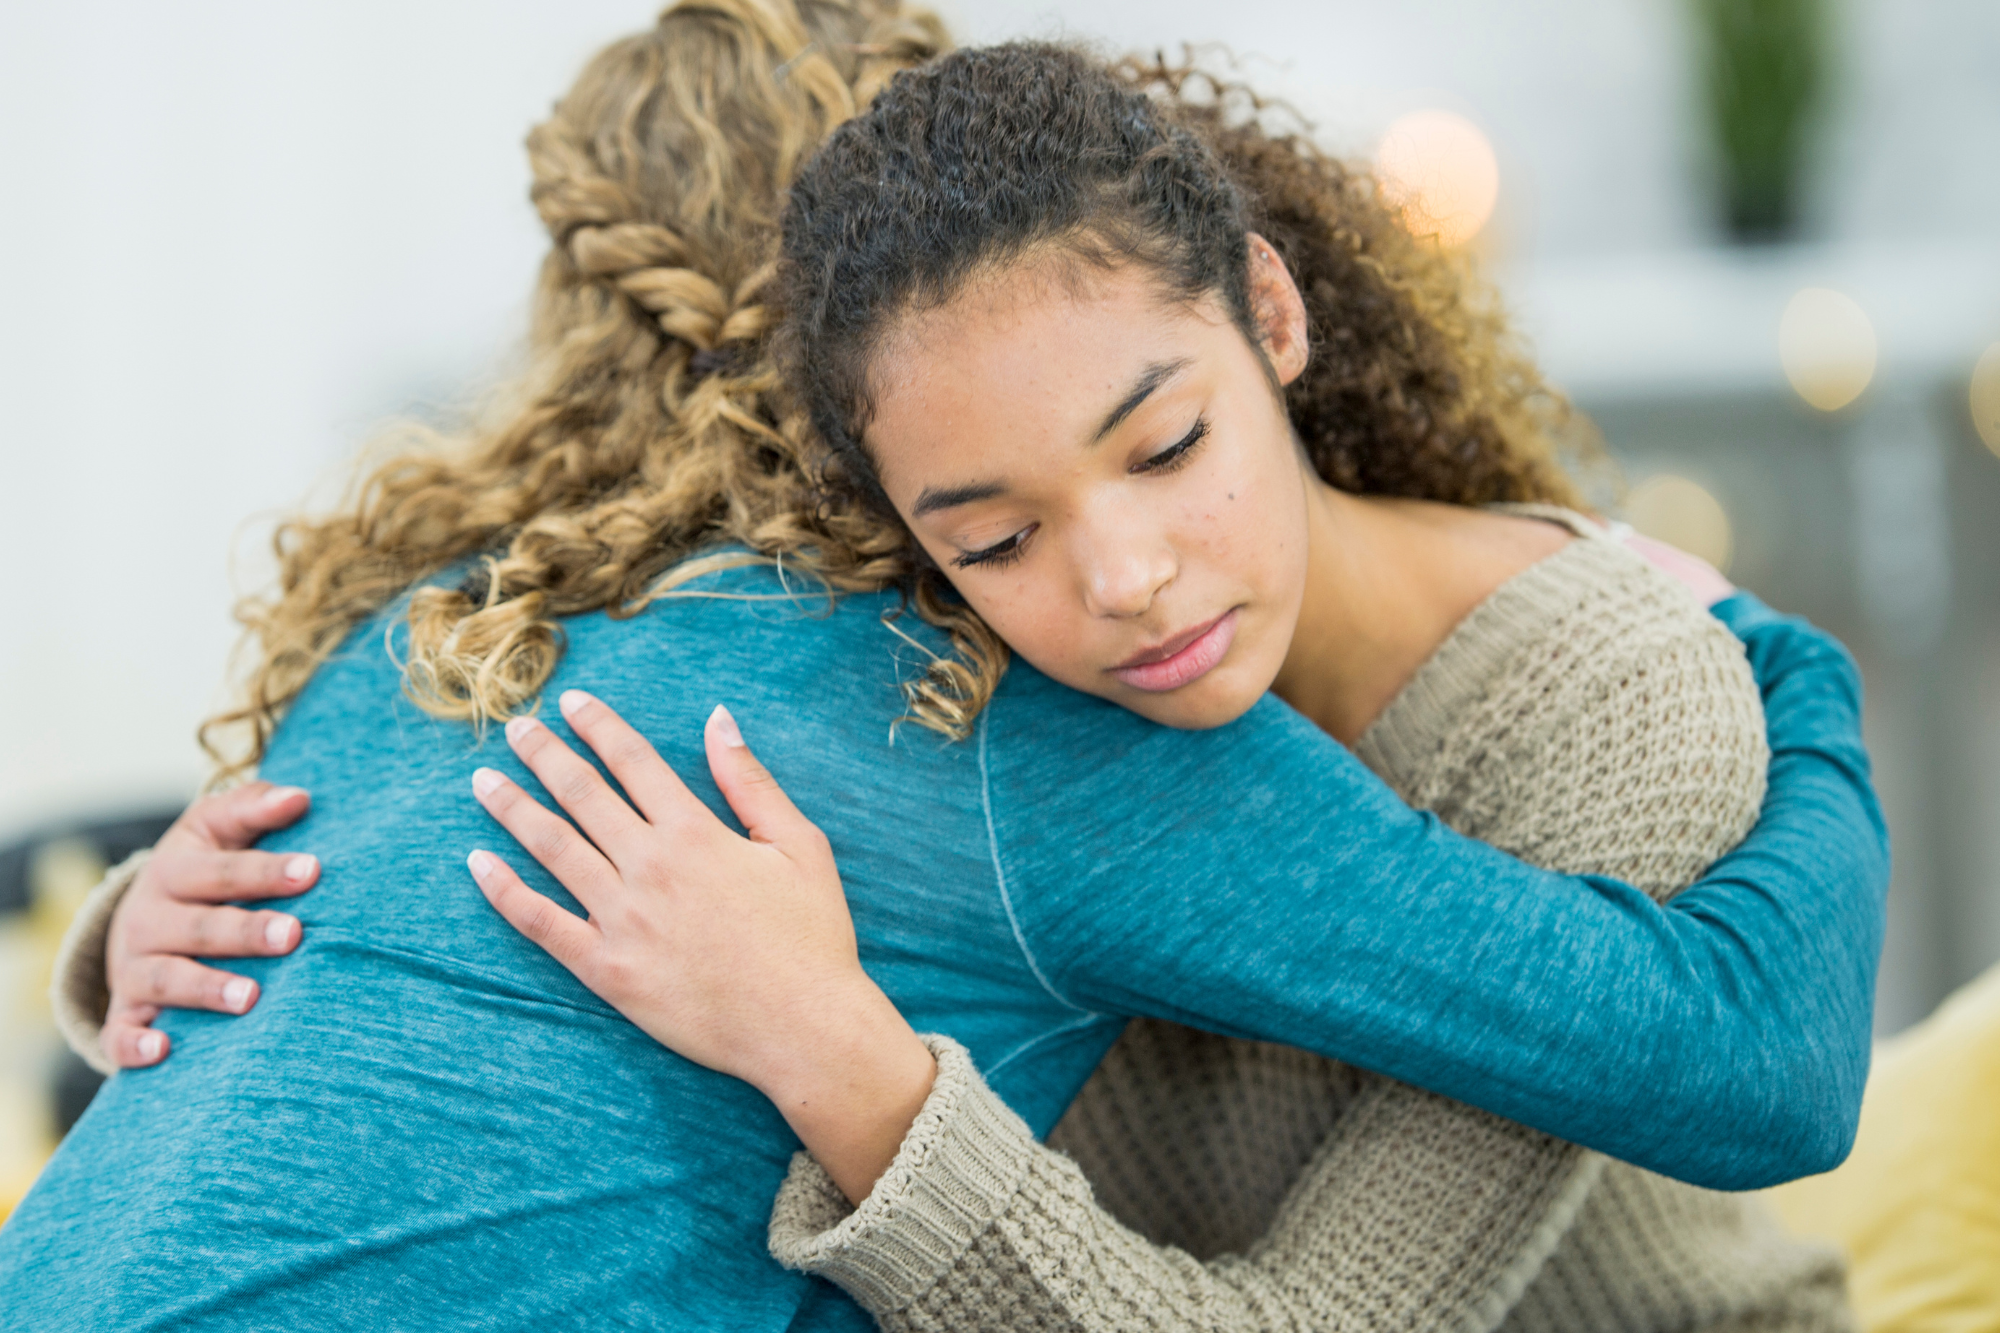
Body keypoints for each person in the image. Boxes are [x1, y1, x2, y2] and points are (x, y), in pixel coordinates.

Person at [13, 6, 1882, 1332]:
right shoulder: (941, 686)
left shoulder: (447, 623)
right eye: (985, 537)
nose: (1127, 586)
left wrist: (104, 961)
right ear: (859, 443)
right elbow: (1736, 1055)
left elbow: (1747, 1078)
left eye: (1159, 446)